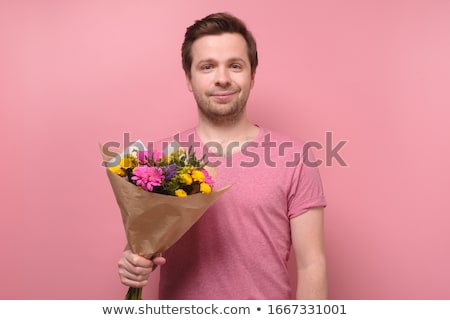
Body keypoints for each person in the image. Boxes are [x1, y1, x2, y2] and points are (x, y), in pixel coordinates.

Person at [117, 12, 327, 299]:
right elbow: (143, 246)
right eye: (207, 67)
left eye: (235, 65)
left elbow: (311, 264)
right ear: (189, 79)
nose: (222, 79)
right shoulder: (159, 160)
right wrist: (133, 263)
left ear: (252, 75)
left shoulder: (296, 157)